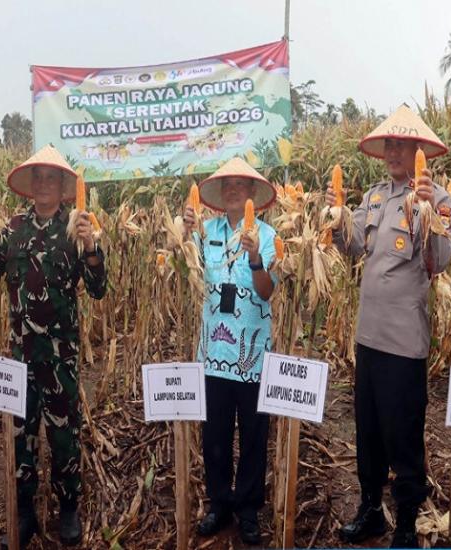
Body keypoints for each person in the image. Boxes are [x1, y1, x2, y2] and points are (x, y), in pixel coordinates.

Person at [326, 105, 451, 548]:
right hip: (369, 336)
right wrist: (338, 218)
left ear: (420, 149)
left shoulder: (438, 199)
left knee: (403, 436)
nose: (394, 151)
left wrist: (425, 211)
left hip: (404, 342)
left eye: (402, 144)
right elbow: (352, 247)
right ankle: (369, 510)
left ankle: (404, 524)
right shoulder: (374, 197)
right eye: (390, 145)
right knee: (369, 432)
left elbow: (441, 260)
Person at [0, 145, 107, 548]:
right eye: (39, 178)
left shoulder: (76, 228)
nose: (45, 184)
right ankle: (25, 512)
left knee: (65, 436)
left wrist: (93, 250)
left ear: (64, 186)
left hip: (60, 356)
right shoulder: (12, 229)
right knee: (21, 436)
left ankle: (68, 508)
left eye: (53, 178)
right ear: (30, 186)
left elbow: (98, 290)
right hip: (21, 355)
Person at [184, 157, 277, 545]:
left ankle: (249, 508)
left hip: (252, 352)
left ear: (253, 192)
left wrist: (255, 257)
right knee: (215, 434)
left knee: (254, 435)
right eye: (228, 184)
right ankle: (219, 503)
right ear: (221, 194)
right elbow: (188, 269)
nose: (234, 189)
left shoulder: (268, 236)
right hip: (214, 352)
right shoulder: (206, 232)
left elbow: (267, 291)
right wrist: (184, 233)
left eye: (241, 184)